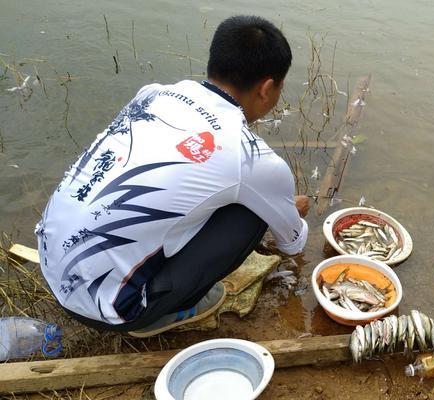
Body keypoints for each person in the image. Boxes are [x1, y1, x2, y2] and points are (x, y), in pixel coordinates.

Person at [36, 15, 309, 337]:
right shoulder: (250, 156)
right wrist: (288, 211)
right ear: (266, 88)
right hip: (111, 310)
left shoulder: (153, 94)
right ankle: (159, 313)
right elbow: (293, 243)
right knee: (251, 213)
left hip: (50, 266)